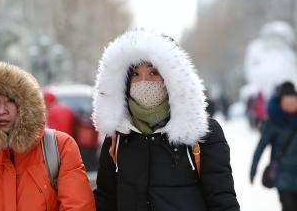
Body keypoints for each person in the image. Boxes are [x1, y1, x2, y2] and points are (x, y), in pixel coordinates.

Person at [92, 30, 240, 211]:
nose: (143, 82)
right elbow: (105, 199)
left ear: (172, 79)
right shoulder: (118, 136)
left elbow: (222, 201)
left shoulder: (201, 132)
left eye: (153, 72)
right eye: (136, 74)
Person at [0, 61, 95, 211]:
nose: (2, 110)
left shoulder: (60, 147)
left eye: (10, 101)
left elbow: (78, 206)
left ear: (26, 104)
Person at [250, 81, 297, 211]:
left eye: (293, 99)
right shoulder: (273, 121)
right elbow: (261, 146)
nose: (291, 103)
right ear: (280, 100)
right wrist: (253, 169)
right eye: (287, 100)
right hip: (283, 176)